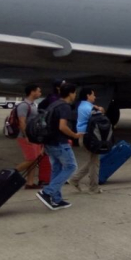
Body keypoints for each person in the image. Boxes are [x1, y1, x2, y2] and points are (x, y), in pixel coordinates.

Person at [36, 83, 81, 211]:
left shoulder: (53, 104)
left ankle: (56, 199)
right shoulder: (65, 107)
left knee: (56, 169)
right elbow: (62, 126)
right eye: (75, 93)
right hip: (60, 142)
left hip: (49, 142)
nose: (75, 95)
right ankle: (47, 192)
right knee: (71, 166)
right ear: (71, 93)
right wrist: (74, 135)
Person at [68, 87, 106, 193]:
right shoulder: (89, 108)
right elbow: (101, 115)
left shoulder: (84, 106)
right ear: (88, 96)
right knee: (94, 163)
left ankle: (74, 179)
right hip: (89, 137)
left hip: (85, 137)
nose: (94, 97)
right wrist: (100, 109)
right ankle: (93, 187)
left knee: (92, 161)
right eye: (93, 95)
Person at [15, 84, 43, 189]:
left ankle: (30, 183)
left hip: (33, 136)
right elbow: (22, 122)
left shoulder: (33, 105)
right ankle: (11, 173)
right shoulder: (24, 105)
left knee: (35, 159)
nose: (40, 93)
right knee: (31, 158)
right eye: (38, 91)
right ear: (32, 92)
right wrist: (26, 136)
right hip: (25, 136)